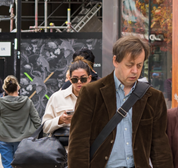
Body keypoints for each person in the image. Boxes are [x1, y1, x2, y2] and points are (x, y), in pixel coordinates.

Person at [68, 35, 172, 168]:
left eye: (139, 65)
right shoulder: (91, 93)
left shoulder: (154, 97)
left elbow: (160, 146)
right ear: (115, 61)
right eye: (129, 65)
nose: (135, 71)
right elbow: (78, 143)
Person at [0, 76, 40, 168]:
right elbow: (37, 121)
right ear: (18, 87)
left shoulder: (1, 102)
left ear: (5, 90)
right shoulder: (27, 101)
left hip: (4, 138)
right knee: (21, 165)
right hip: (23, 139)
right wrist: (32, 133)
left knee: (7, 165)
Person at [42, 56, 93, 140]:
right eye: (75, 79)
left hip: (88, 149)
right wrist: (60, 120)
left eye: (83, 79)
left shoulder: (96, 98)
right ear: (70, 79)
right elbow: (45, 127)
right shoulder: (57, 97)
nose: (79, 82)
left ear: (89, 78)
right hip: (63, 150)